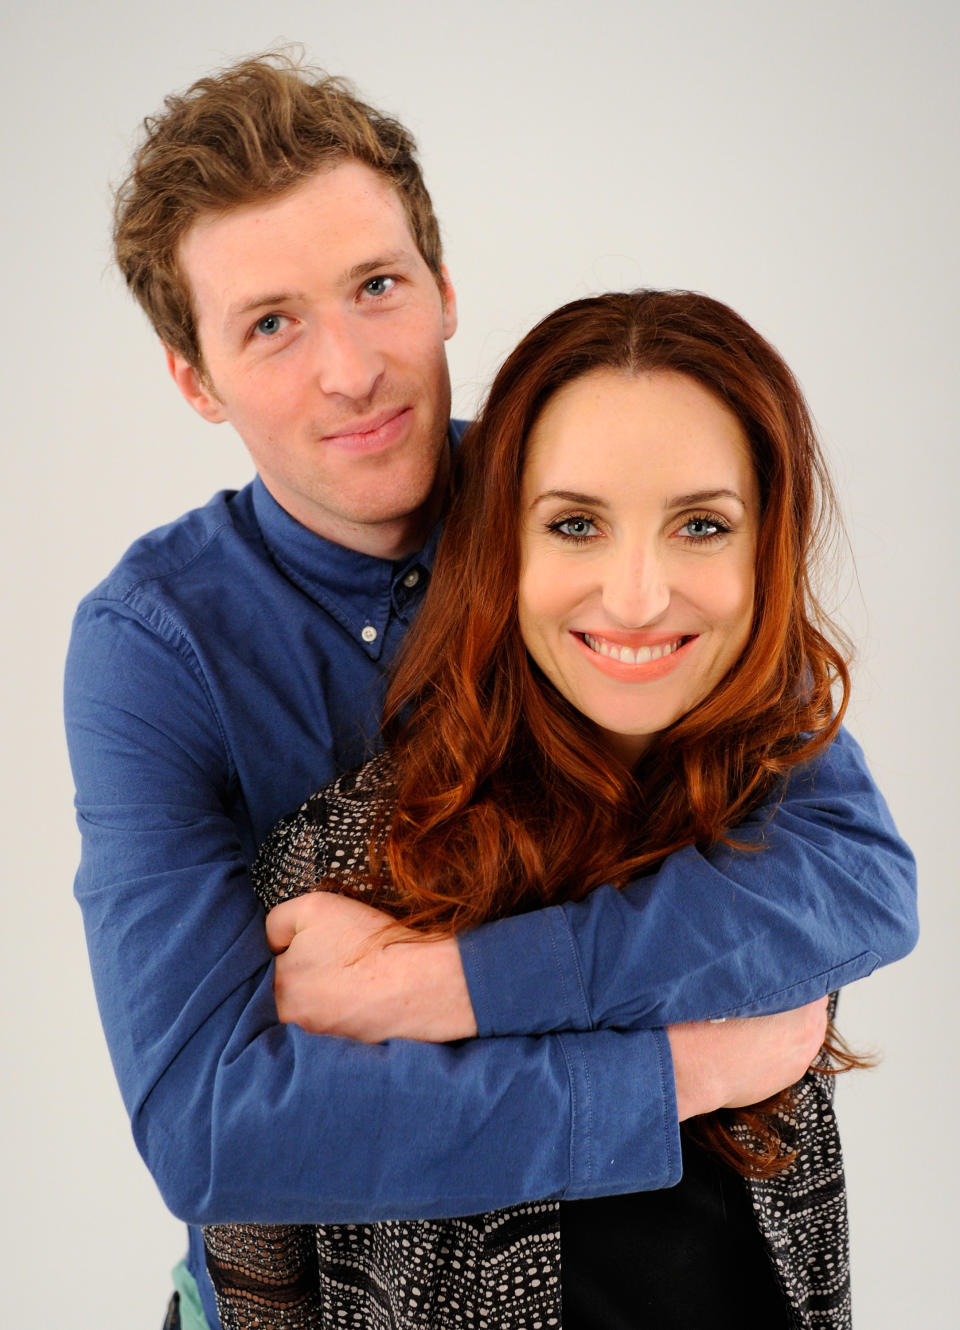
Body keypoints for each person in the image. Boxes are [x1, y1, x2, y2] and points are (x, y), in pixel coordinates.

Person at [63, 52, 916, 1330]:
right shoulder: (153, 647)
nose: (351, 369)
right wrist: (682, 1069)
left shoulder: (585, 512)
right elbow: (219, 1132)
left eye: (377, 286)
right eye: (272, 324)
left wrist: (442, 986)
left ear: (446, 288)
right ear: (196, 378)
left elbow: (848, 883)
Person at [200, 288, 880, 1330]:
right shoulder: (347, 864)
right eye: (575, 524)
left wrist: (446, 993)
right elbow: (254, 1254)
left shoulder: (772, 829)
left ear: (765, 548)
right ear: (500, 545)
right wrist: (693, 1064)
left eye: (702, 524)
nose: (640, 594)